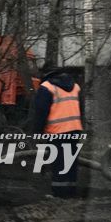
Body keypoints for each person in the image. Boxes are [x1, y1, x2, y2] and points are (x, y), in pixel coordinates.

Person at [31, 69, 83, 198]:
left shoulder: (46, 87)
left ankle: (59, 195)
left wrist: (37, 132)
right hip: (75, 129)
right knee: (71, 162)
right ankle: (71, 192)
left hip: (57, 131)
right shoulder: (75, 86)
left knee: (59, 163)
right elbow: (80, 108)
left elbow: (41, 113)